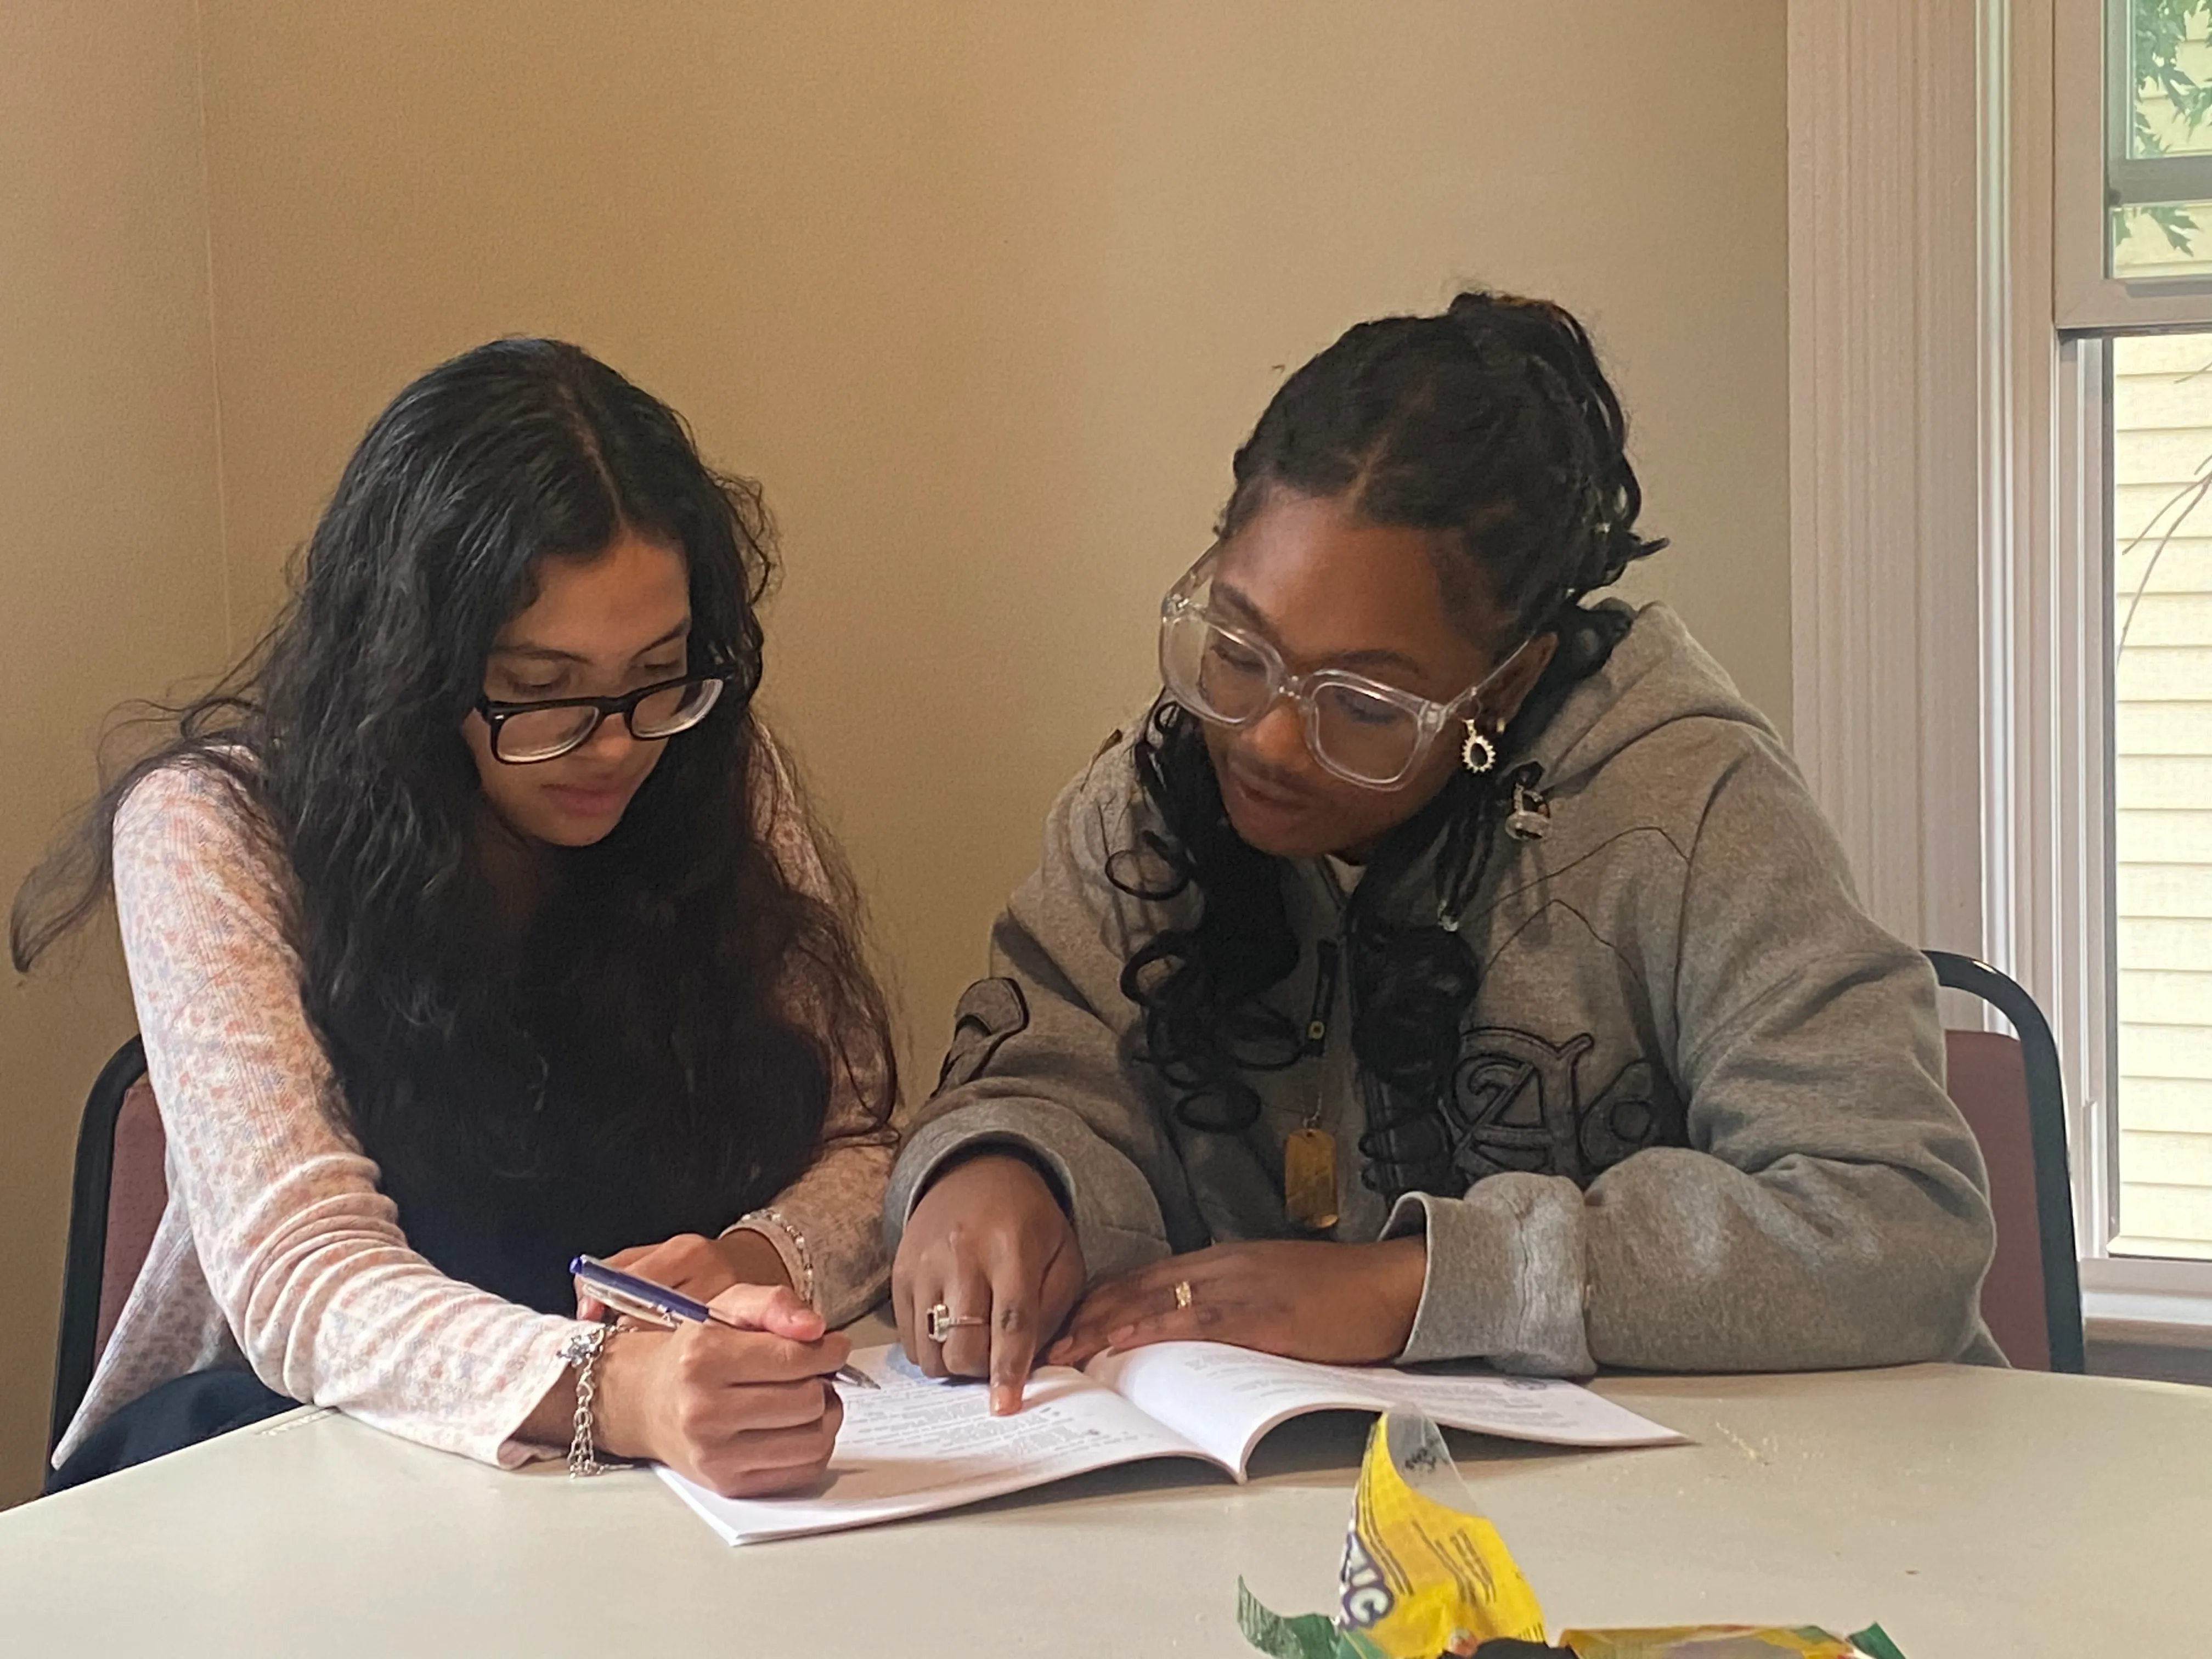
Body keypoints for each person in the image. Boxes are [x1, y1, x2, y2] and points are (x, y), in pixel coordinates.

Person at [886, 292, 1999, 1414]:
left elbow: (1897, 1221)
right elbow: (1043, 1070)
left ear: (1504, 686)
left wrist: (1420, 1284)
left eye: (1365, 702)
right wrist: (997, 1165)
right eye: (1235, 647)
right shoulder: (1142, 807)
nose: (1267, 738)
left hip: (1690, 1519)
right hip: (1264, 1510)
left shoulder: (1690, 811)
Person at [13, 339, 896, 1494]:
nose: (618, 740)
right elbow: (303, 1275)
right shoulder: (214, 830)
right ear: (408, 670)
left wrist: (737, 1270)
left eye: (661, 671)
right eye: (541, 691)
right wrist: (616, 1388)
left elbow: (868, 1153)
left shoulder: (705, 767)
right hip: (283, 1453)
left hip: (632, 1484)